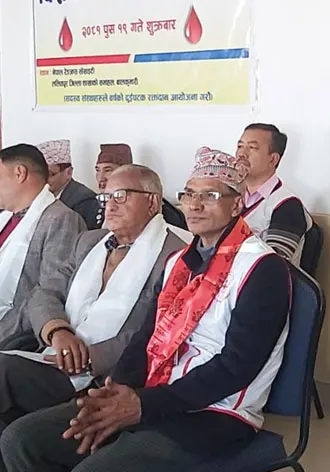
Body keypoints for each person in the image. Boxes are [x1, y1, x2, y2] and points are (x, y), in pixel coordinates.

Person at [0, 147, 291, 472]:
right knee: (21, 439)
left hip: (216, 410)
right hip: (153, 391)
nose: (195, 205)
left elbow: (236, 368)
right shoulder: (179, 263)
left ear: (236, 204)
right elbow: (146, 337)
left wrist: (142, 403)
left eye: (210, 196)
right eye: (189, 194)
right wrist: (115, 390)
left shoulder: (262, 268)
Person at [0, 164, 185, 430]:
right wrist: (57, 330)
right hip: (54, 352)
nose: (110, 205)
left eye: (120, 195)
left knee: (3, 371)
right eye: (105, 197)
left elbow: (157, 331)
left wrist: (89, 357)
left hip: (104, 374)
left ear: (152, 202)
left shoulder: (175, 256)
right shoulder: (90, 242)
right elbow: (45, 292)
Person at [0, 146, 87, 345]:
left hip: (16, 332)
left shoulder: (61, 220)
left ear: (20, 173)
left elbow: (50, 291)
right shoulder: (6, 218)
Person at [235, 123, 311, 266]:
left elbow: (273, 264)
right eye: (240, 146)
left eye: (252, 147)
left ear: (273, 159)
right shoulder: (230, 196)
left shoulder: (287, 205)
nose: (241, 154)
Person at [92, 146, 186, 232]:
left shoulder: (168, 215)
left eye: (108, 170)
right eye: (97, 171)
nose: (101, 178)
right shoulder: (95, 206)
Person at [37, 142, 95, 229]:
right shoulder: (41, 196)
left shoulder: (84, 199)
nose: (45, 180)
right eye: (41, 175)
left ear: (68, 172)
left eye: (50, 174)